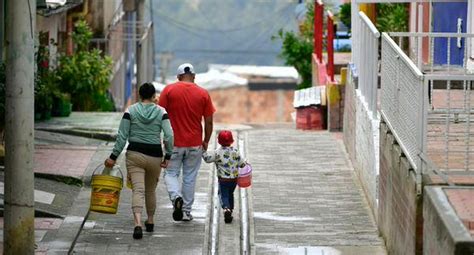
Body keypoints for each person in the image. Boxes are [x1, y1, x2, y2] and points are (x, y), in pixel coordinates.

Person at [104, 83, 173, 239]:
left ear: (139, 95)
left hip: (135, 154)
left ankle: (137, 224)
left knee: (138, 190)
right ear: (154, 95)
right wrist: (168, 155)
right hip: (155, 156)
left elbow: (122, 136)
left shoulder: (130, 111)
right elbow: (169, 136)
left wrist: (113, 157)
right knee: (150, 190)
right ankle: (150, 220)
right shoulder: (162, 112)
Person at [158, 63, 215, 221]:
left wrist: (159, 138)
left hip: (173, 144)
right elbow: (209, 122)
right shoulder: (203, 93)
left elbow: (159, 116)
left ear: (178, 77)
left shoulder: (168, 90)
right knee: (189, 177)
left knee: (170, 173)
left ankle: (176, 197)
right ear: (194, 76)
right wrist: (206, 141)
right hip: (195, 143)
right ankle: (186, 211)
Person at [202, 130, 246, 223]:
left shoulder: (217, 153)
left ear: (219, 141)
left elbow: (207, 159)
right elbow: (242, 164)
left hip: (223, 180)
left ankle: (226, 209)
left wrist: (203, 151)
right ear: (232, 140)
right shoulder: (235, 151)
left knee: (223, 195)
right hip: (234, 180)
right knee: (230, 194)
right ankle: (231, 209)